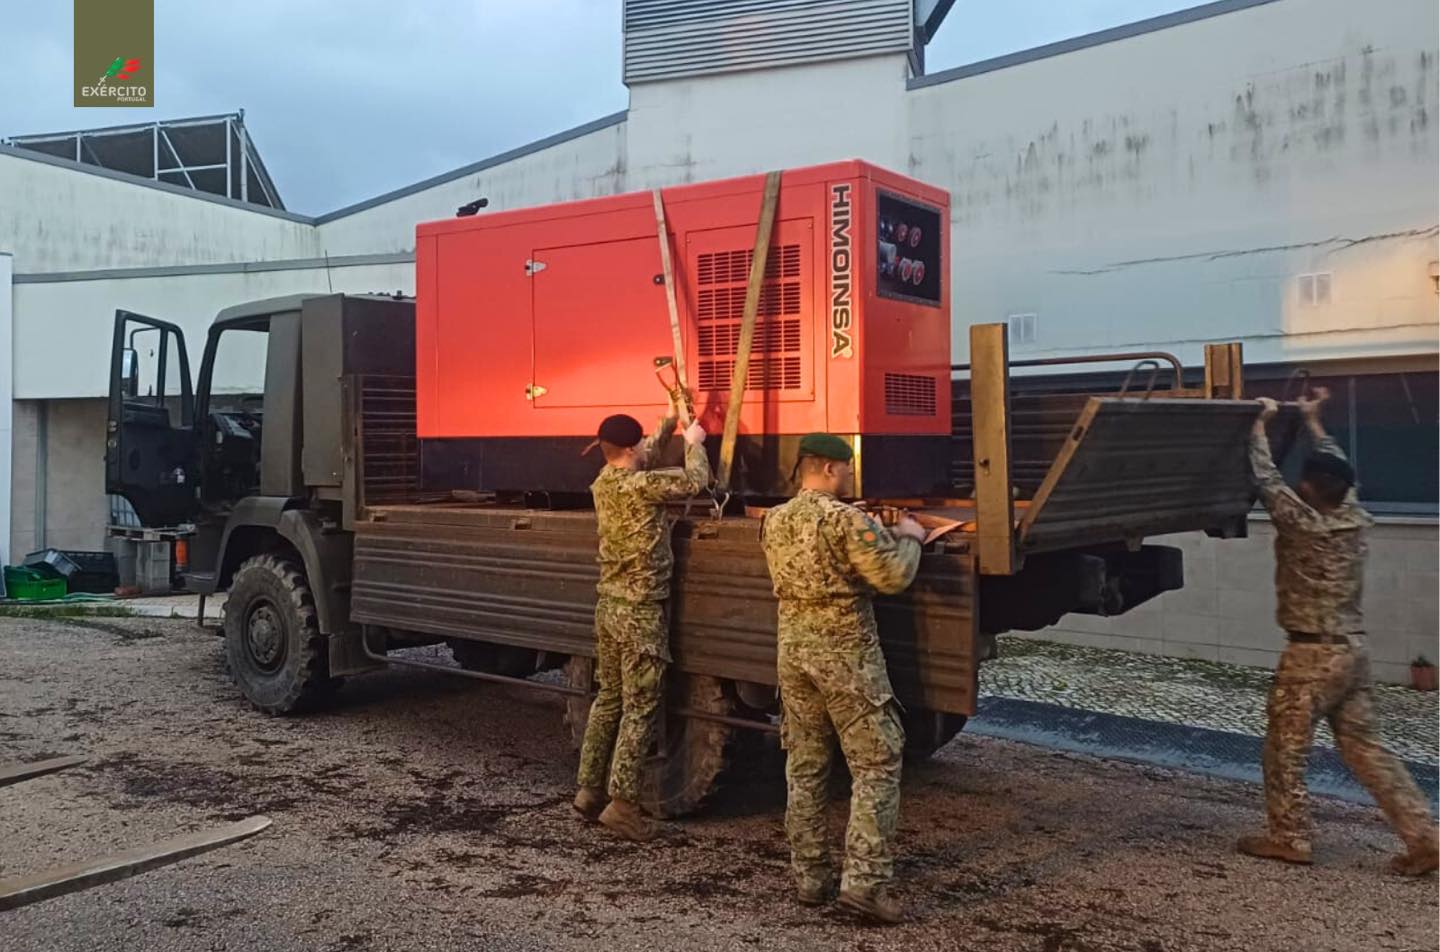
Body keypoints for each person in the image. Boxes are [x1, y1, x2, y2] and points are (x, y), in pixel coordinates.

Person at [1239, 387, 1437, 876]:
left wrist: (1256, 424)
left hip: (1311, 656)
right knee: (1367, 747)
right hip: (1353, 651)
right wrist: (1312, 420)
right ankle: (1423, 837)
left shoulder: (1302, 523)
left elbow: (1265, 477)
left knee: (1284, 746)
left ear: (1309, 489)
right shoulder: (1353, 516)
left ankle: (1289, 838)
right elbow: (1337, 466)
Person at [760, 433, 928, 923]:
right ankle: (865, 886)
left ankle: (810, 879)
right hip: (845, 656)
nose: (851, 477)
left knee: (807, 763)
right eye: (848, 469)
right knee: (876, 761)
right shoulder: (845, 519)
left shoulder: (775, 518)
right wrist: (910, 538)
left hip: (793, 651)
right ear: (831, 470)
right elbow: (893, 576)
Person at [573, 401, 710, 841]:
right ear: (631, 449)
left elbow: (642, 456)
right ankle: (624, 804)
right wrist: (693, 445)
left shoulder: (604, 482)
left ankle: (589, 790)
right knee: (640, 708)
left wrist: (669, 419)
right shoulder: (641, 487)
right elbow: (696, 481)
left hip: (608, 607)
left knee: (608, 699)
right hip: (640, 612)